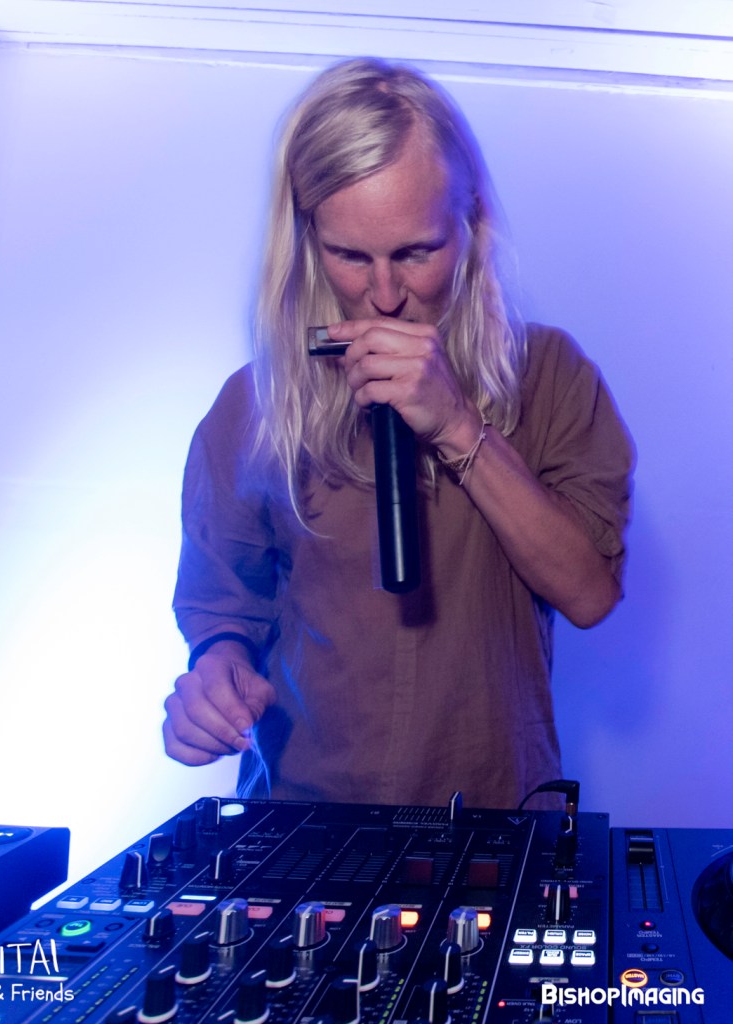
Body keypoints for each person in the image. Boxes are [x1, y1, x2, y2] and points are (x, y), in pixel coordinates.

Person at [162, 58, 634, 809]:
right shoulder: (254, 402)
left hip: (496, 817)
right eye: (350, 255)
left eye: (417, 252)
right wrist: (215, 672)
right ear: (306, 238)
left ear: (471, 221)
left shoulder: (550, 373)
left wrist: (456, 424)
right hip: (304, 822)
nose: (384, 295)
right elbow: (223, 605)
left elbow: (588, 594)